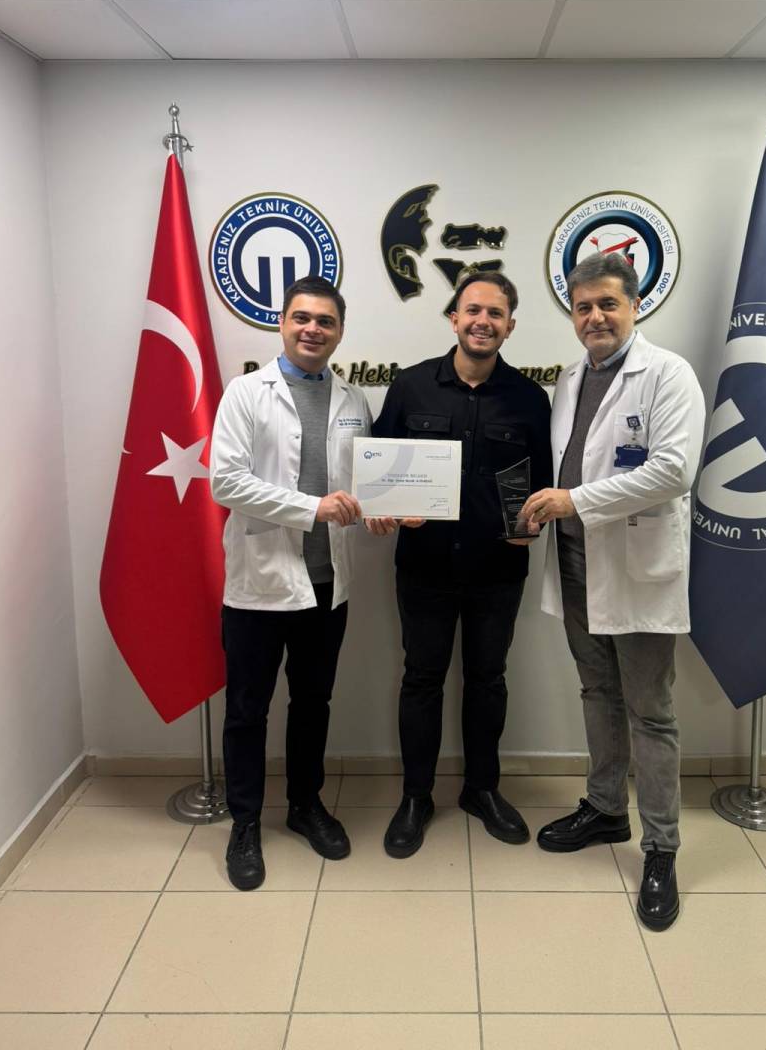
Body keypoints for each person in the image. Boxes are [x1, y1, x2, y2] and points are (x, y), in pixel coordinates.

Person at [521, 252, 704, 931]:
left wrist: (574, 500)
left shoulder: (668, 374)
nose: (594, 317)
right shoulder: (570, 379)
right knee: (597, 691)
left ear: (635, 306)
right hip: (576, 562)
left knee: (650, 712)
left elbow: (674, 471)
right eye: (583, 307)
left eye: (607, 304)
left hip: (636, 567)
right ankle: (604, 809)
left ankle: (661, 849)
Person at [369, 271, 552, 857]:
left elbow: (541, 482)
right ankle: (416, 797)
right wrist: (390, 507)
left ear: (510, 326)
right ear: (454, 317)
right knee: (421, 681)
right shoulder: (411, 386)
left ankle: (481, 790)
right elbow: (379, 469)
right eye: (473, 310)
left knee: (488, 680)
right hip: (424, 568)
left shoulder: (530, 399)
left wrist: (532, 524)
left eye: (495, 313)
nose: (483, 322)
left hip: (498, 571)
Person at [210, 276, 371, 890]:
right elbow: (226, 482)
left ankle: (305, 804)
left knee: (312, 702)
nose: (312, 329)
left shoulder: (355, 401)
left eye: (325, 321)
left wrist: (381, 511)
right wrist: (312, 508)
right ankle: (245, 823)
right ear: (282, 323)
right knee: (247, 711)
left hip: (326, 585)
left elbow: (361, 486)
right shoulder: (247, 393)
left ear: (339, 331)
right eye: (302, 317)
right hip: (258, 586)